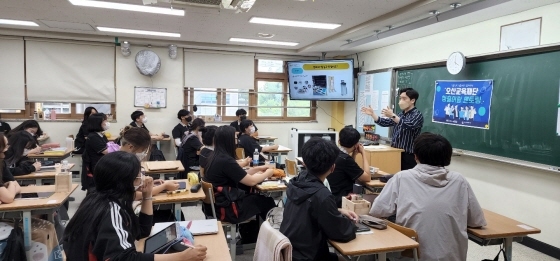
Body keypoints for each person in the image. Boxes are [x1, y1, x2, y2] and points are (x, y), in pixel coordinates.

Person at [63, 152, 207, 261]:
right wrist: (181, 257)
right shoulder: (110, 209)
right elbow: (126, 258)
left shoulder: (101, 199)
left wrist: (147, 196)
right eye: (138, 176)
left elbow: (142, 231)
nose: (141, 179)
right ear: (124, 181)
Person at [369, 133, 486, 261]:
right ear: (448, 158)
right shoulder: (459, 181)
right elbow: (477, 221)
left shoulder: (402, 178)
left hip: (413, 257)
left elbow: (377, 212)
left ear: (416, 156)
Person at [280, 137, 358, 261]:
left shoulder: (298, 181)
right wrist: (353, 224)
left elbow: (311, 209)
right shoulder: (322, 195)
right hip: (309, 256)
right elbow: (341, 233)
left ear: (304, 163)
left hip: (290, 252)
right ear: (332, 168)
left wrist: (337, 211)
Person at [202, 126, 275, 224]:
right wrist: (268, 173)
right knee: (266, 201)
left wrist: (258, 168)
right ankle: (271, 233)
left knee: (254, 197)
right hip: (227, 209)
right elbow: (251, 181)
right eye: (235, 139)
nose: (237, 141)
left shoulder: (215, 156)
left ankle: (250, 235)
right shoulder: (226, 160)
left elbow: (239, 174)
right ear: (229, 141)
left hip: (216, 206)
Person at [361, 88, 423, 170]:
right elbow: (385, 122)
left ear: (412, 100)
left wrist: (393, 116)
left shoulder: (417, 115)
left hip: (408, 155)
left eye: (404, 98)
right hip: (394, 152)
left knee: (405, 179)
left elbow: (408, 125)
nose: (401, 101)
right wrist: (373, 114)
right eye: (400, 98)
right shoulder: (400, 114)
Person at [119, 126, 179, 198]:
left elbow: (132, 186)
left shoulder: (126, 159)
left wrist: (148, 183)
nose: (144, 153)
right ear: (130, 147)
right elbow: (134, 195)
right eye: (143, 150)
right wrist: (164, 186)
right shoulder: (121, 164)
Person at [327, 127, 371, 207]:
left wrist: (354, 155)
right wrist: (363, 153)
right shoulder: (345, 159)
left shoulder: (334, 152)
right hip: (341, 199)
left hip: (330, 196)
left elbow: (348, 169)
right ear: (356, 145)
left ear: (339, 141)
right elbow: (367, 177)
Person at [81, 113, 109, 192]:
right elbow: (106, 151)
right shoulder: (93, 137)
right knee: (95, 191)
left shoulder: (101, 135)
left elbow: (108, 145)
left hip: (102, 163)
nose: (107, 122)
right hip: (95, 166)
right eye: (105, 120)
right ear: (98, 123)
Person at [0, 133, 20, 203]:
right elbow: (9, 198)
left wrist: (10, 186)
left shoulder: (2, 163)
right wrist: (11, 184)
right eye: (5, 146)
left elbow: (17, 187)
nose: (7, 149)